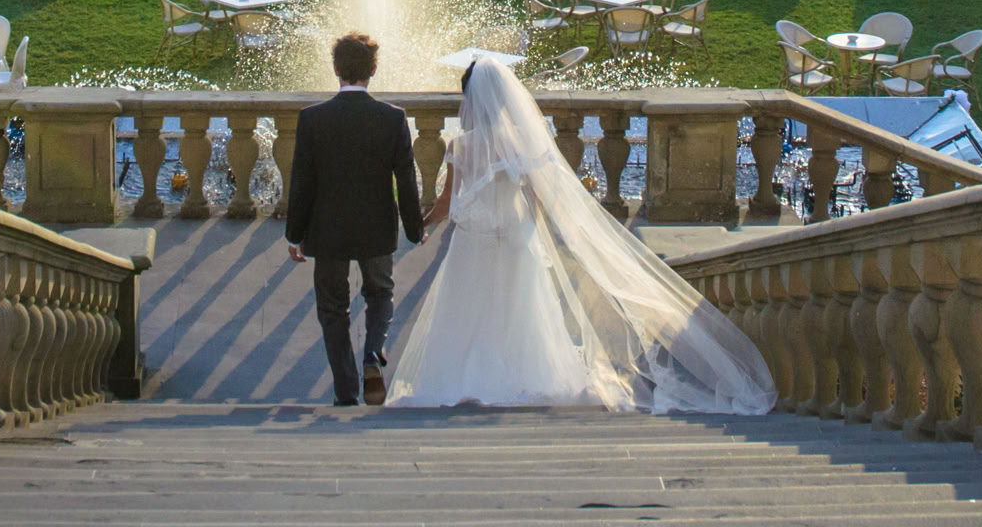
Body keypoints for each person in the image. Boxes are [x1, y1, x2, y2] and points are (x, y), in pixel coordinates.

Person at [385, 58, 775, 412]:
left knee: (469, 311)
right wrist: (537, 232)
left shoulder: (461, 146)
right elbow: (537, 196)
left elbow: (448, 201)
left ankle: (465, 376)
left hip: (475, 239)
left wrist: (424, 226)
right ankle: (523, 374)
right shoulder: (518, 141)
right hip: (516, 236)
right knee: (520, 310)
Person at [283, 31, 424, 406]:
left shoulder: (312, 119)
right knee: (380, 294)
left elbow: (302, 182)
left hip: (326, 230)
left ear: (335, 70)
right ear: (373, 70)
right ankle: (372, 354)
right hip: (376, 226)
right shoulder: (392, 119)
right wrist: (414, 229)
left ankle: (345, 392)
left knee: (332, 309)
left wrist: (293, 234)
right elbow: (406, 180)